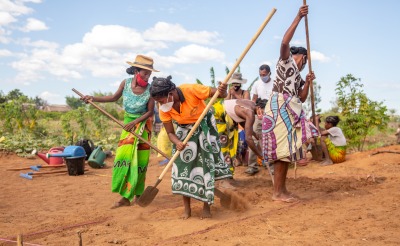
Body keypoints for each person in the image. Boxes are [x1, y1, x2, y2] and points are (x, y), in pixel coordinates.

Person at [150, 76, 232, 219]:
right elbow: (170, 132)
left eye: (161, 101)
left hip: (203, 128)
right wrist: (177, 142)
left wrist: (223, 90)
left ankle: (207, 207)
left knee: (205, 166)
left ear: (171, 93)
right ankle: (187, 209)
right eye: (158, 102)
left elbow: (219, 94)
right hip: (183, 132)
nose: (160, 105)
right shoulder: (163, 107)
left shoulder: (191, 89)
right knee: (182, 168)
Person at [82, 54, 157, 208]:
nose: (148, 76)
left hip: (143, 126)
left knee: (140, 162)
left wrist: (135, 122)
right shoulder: (126, 83)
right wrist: (93, 98)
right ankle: (125, 197)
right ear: (136, 71)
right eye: (145, 73)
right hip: (127, 125)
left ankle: (137, 194)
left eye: (149, 74)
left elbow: (150, 112)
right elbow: (113, 97)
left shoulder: (151, 90)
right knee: (123, 160)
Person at [261, 5, 318, 203]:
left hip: (291, 108)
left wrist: (308, 83)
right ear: (302, 57)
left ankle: (282, 190)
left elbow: (302, 98)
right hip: (280, 108)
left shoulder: (299, 76)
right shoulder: (286, 62)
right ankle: (277, 192)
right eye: (304, 60)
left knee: (285, 152)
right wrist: (298, 17)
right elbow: (285, 41)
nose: (303, 64)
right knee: (282, 151)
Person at [246, 65, 274, 175]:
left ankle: (272, 167)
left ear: (269, 73)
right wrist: (255, 109)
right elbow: (254, 99)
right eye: (261, 75)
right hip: (259, 114)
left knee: (271, 140)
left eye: (264, 75)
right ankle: (252, 166)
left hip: (271, 113)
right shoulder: (257, 84)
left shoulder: (275, 83)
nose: (262, 77)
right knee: (254, 138)